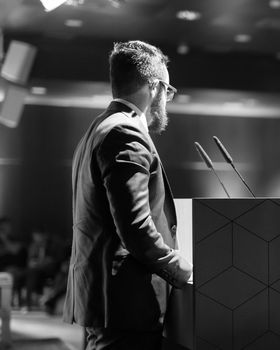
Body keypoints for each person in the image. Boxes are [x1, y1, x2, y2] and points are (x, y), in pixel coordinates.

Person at [63, 40, 193, 350]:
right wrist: (177, 266)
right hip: (125, 303)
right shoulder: (127, 134)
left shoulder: (97, 129)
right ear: (154, 87)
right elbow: (134, 227)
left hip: (104, 298)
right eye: (169, 92)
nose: (167, 101)